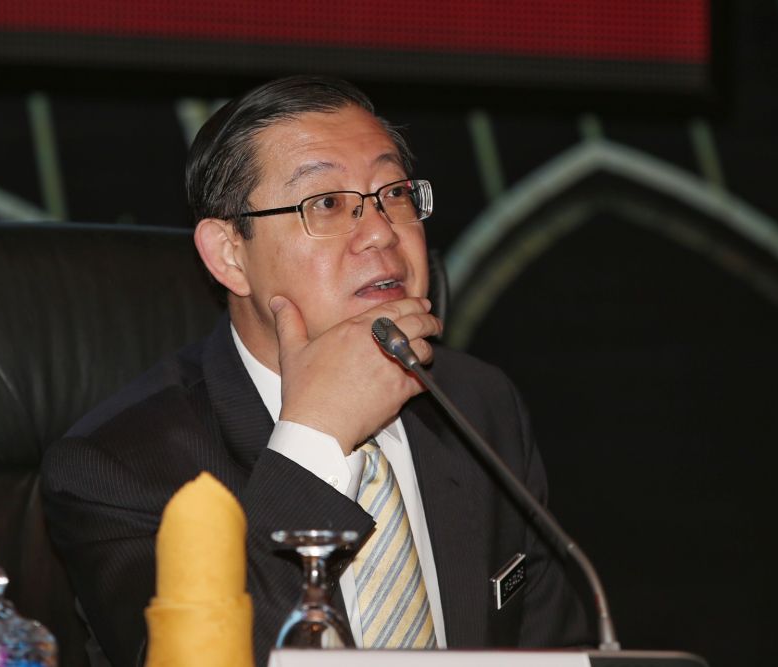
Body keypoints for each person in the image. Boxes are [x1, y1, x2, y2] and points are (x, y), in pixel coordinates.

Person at [42, 75, 592, 667]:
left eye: (395, 194)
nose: (382, 231)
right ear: (230, 254)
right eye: (327, 204)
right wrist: (315, 437)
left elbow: (559, 652)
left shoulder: (481, 404)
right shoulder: (117, 467)